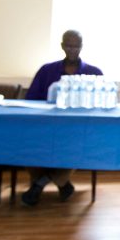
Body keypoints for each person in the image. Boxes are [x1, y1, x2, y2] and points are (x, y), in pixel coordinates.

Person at [21, 29, 103, 206]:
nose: (72, 49)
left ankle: (39, 184)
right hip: (46, 126)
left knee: (72, 147)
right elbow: (31, 100)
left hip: (77, 129)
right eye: (68, 45)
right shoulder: (46, 70)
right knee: (28, 144)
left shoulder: (94, 73)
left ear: (81, 46)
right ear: (62, 45)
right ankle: (63, 184)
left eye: (76, 46)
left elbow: (99, 106)